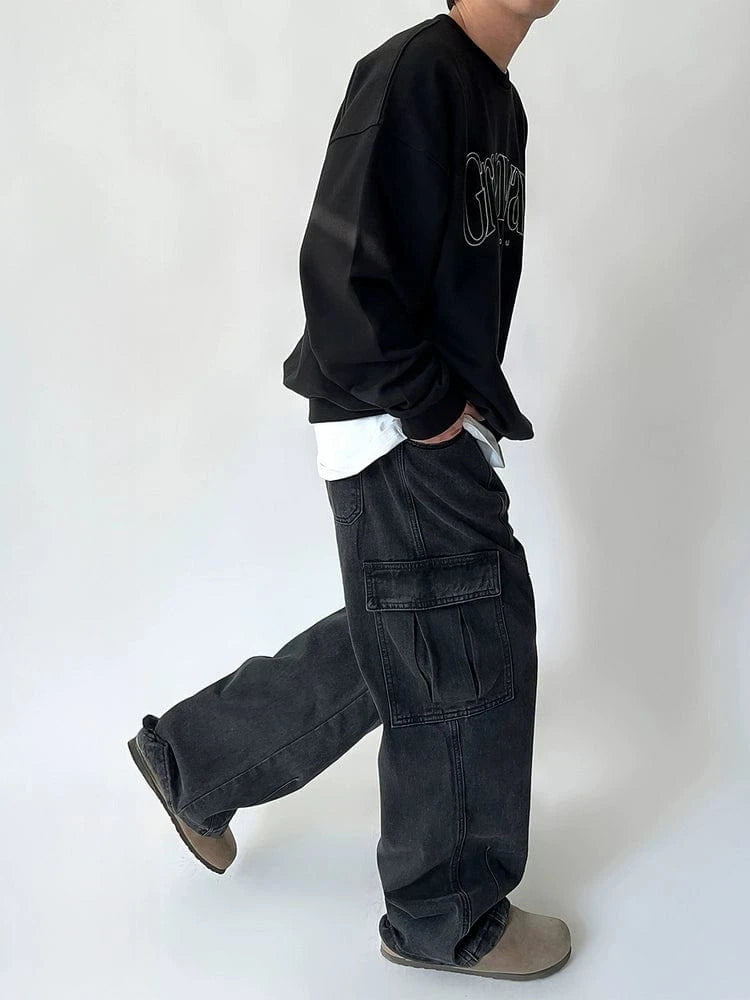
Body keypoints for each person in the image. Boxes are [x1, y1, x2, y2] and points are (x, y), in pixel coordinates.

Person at [127, 0, 571, 982]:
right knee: (461, 645)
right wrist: (428, 404)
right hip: (397, 417)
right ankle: (442, 917)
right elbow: (341, 265)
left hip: (428, 417)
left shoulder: (498, 101)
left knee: (414, 635)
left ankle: (195, 759)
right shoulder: (419, 70)